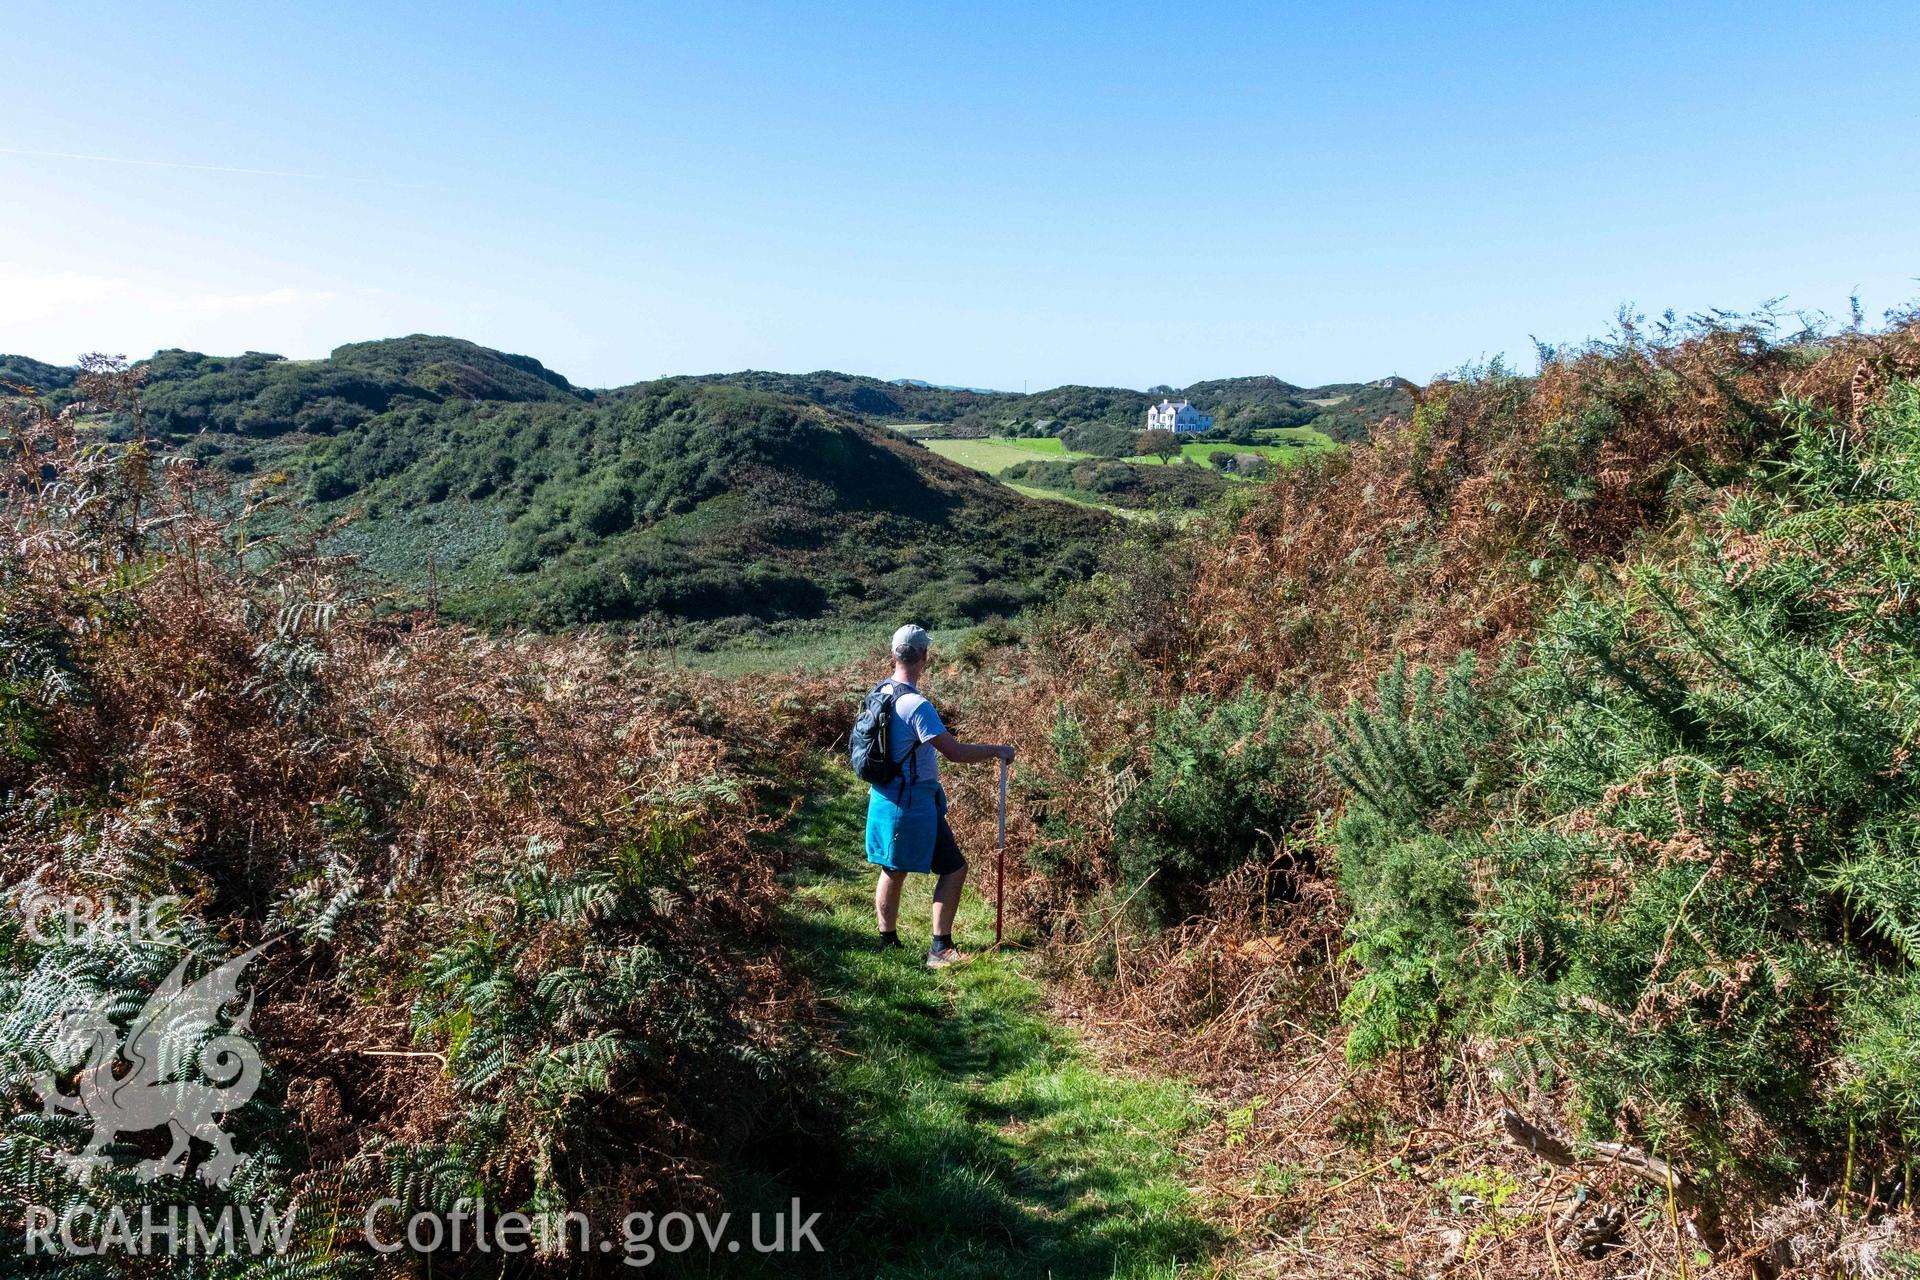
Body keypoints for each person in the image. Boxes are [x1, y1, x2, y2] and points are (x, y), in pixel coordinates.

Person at [864, 624, 1015, 969]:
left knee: (893, 869)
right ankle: (940, 949)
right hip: (912, 804)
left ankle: (888, 941)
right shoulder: (916, 705)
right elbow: (955, 753)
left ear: (894, 654)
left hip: (885, 796)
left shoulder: (879, 692)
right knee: (954, 868)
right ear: (925, 657)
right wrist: (997, 750)